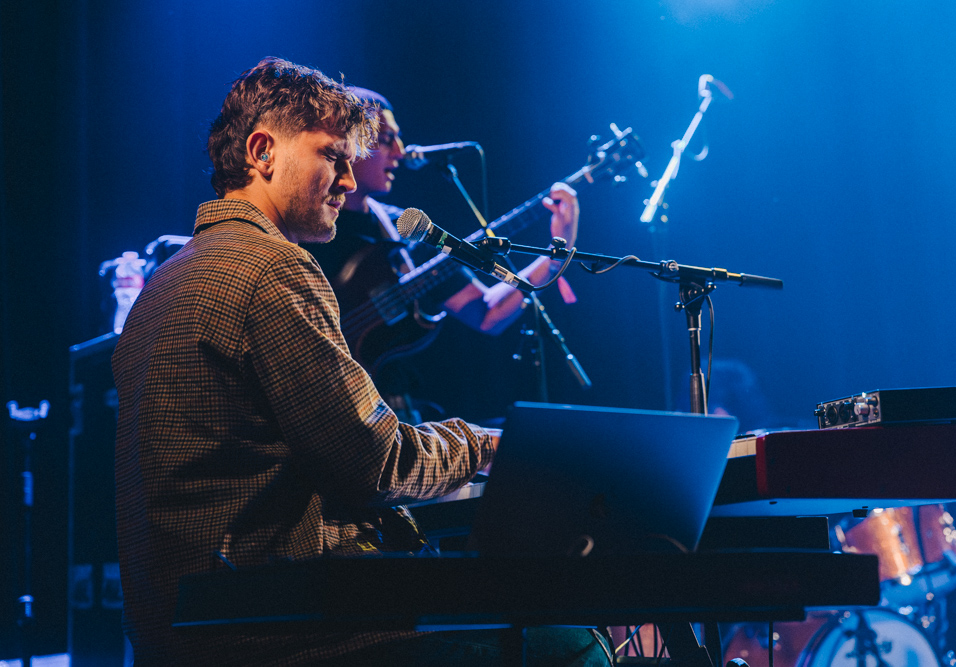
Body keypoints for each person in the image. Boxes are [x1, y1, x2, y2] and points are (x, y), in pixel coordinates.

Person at [113, 57, 607, 666]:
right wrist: (486, 445)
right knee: (572, 645)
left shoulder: (163, 284)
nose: (348, 181)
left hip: (182, 632)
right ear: (263, 151)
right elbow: (375, 463)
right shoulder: (273, 267)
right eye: (333, 157)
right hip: (281, 633)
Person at [302, 88, 579, 420]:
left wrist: (554, 255)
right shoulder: (303, 226)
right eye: (387, 140)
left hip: (387, 411)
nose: (400, 152)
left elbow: (487, 312)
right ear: (349, 145)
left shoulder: (403, 229)